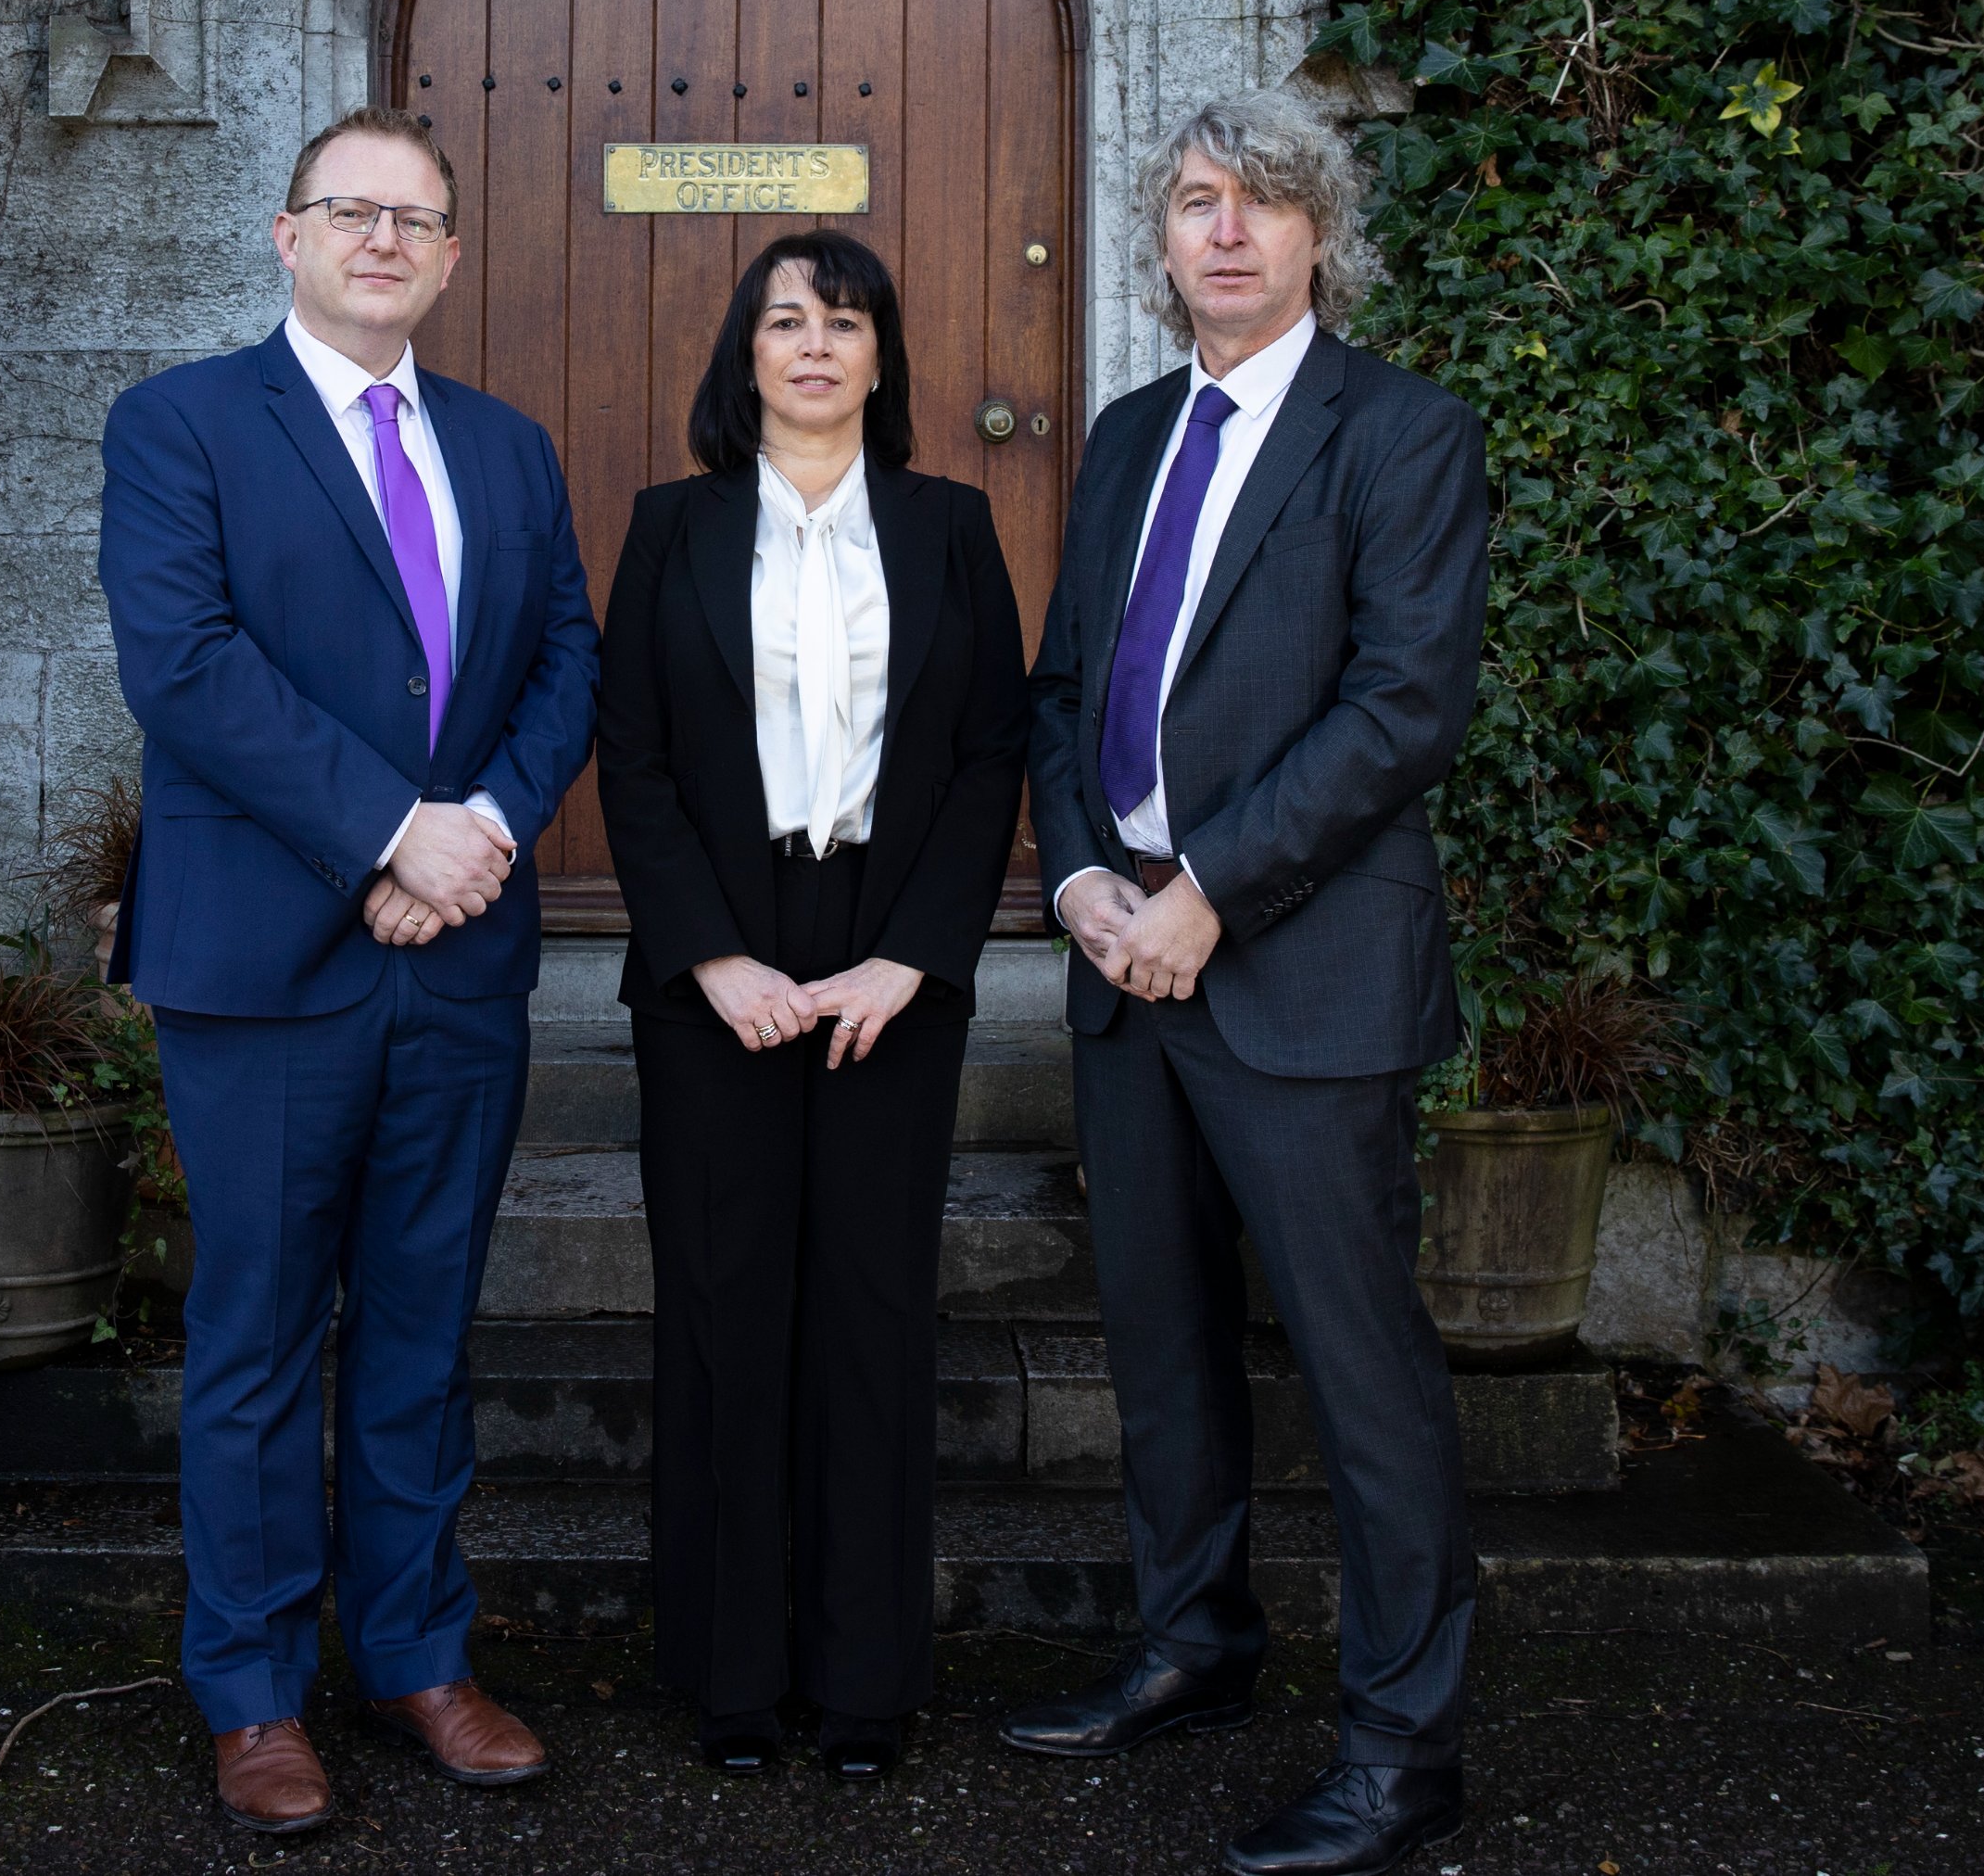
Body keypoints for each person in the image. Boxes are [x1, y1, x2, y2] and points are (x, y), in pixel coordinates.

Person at [1002, 93, 1491, 1876]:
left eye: (1266, 203)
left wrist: (1207, 887)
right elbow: (1062, 692)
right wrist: (1079, 877)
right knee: (1165, 1348)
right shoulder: (1132, 436)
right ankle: (1196, 1645)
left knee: (1364, 1380)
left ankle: (1399, 1749)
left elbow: (1403, 706)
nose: (1229, 231)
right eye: (1198, 202)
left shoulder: (1402, 434)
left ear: (1319, 237)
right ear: (1160, 240)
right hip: (1127, 969)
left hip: (1303, 973)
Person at [99, 107, 600, 1839]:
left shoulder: (509, 449)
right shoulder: (179, 427)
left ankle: (416, 1656)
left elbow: (563, 666)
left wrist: (481, 838)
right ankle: (250, 1691)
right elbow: (185, 665)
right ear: (286, 235)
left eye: (417, 218)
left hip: (456, 967)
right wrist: (395, 830)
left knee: (420, 1329)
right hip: (265, 966)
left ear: (453, 257)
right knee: (252, 1339)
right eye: (350, 210)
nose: (383, 238)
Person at [593, 230, 1030, 1781]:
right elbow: (630, 759)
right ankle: (731, 1679)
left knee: (869, 1311)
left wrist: (913, 956)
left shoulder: (952, 526)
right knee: (723, 1309)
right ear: (746, 354)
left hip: (888, 950)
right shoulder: (671, 528)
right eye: (787, 320)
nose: (817, 344)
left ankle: (863, 1683)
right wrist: (713, 959)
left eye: (846, 320)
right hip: (717, 947)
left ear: (883, 355)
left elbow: (992, 756)